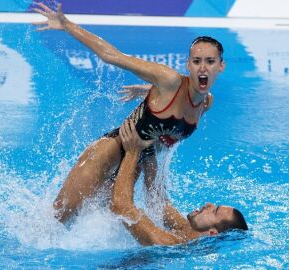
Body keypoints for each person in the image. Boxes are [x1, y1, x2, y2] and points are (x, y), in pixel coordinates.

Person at [32, 3, 225, 223]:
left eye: (210, 61)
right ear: (188, 65)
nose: (203, 68)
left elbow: (176, 109)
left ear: (221, 66)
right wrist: (67, 25)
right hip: (108, 153)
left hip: (135, 164)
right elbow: (111, 56)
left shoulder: (206, 103)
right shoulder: (169, 80)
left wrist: (149, 90)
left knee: (96, 224)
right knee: (56, 221)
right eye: (197, 61)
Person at [111, 120, 248, 246]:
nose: (208, 204)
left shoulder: (167, 244)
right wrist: (149, 149)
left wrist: (133, 152)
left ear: (212, 233)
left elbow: (120, 207)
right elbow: (159, 204)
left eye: (214, 211)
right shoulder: (190, 231)